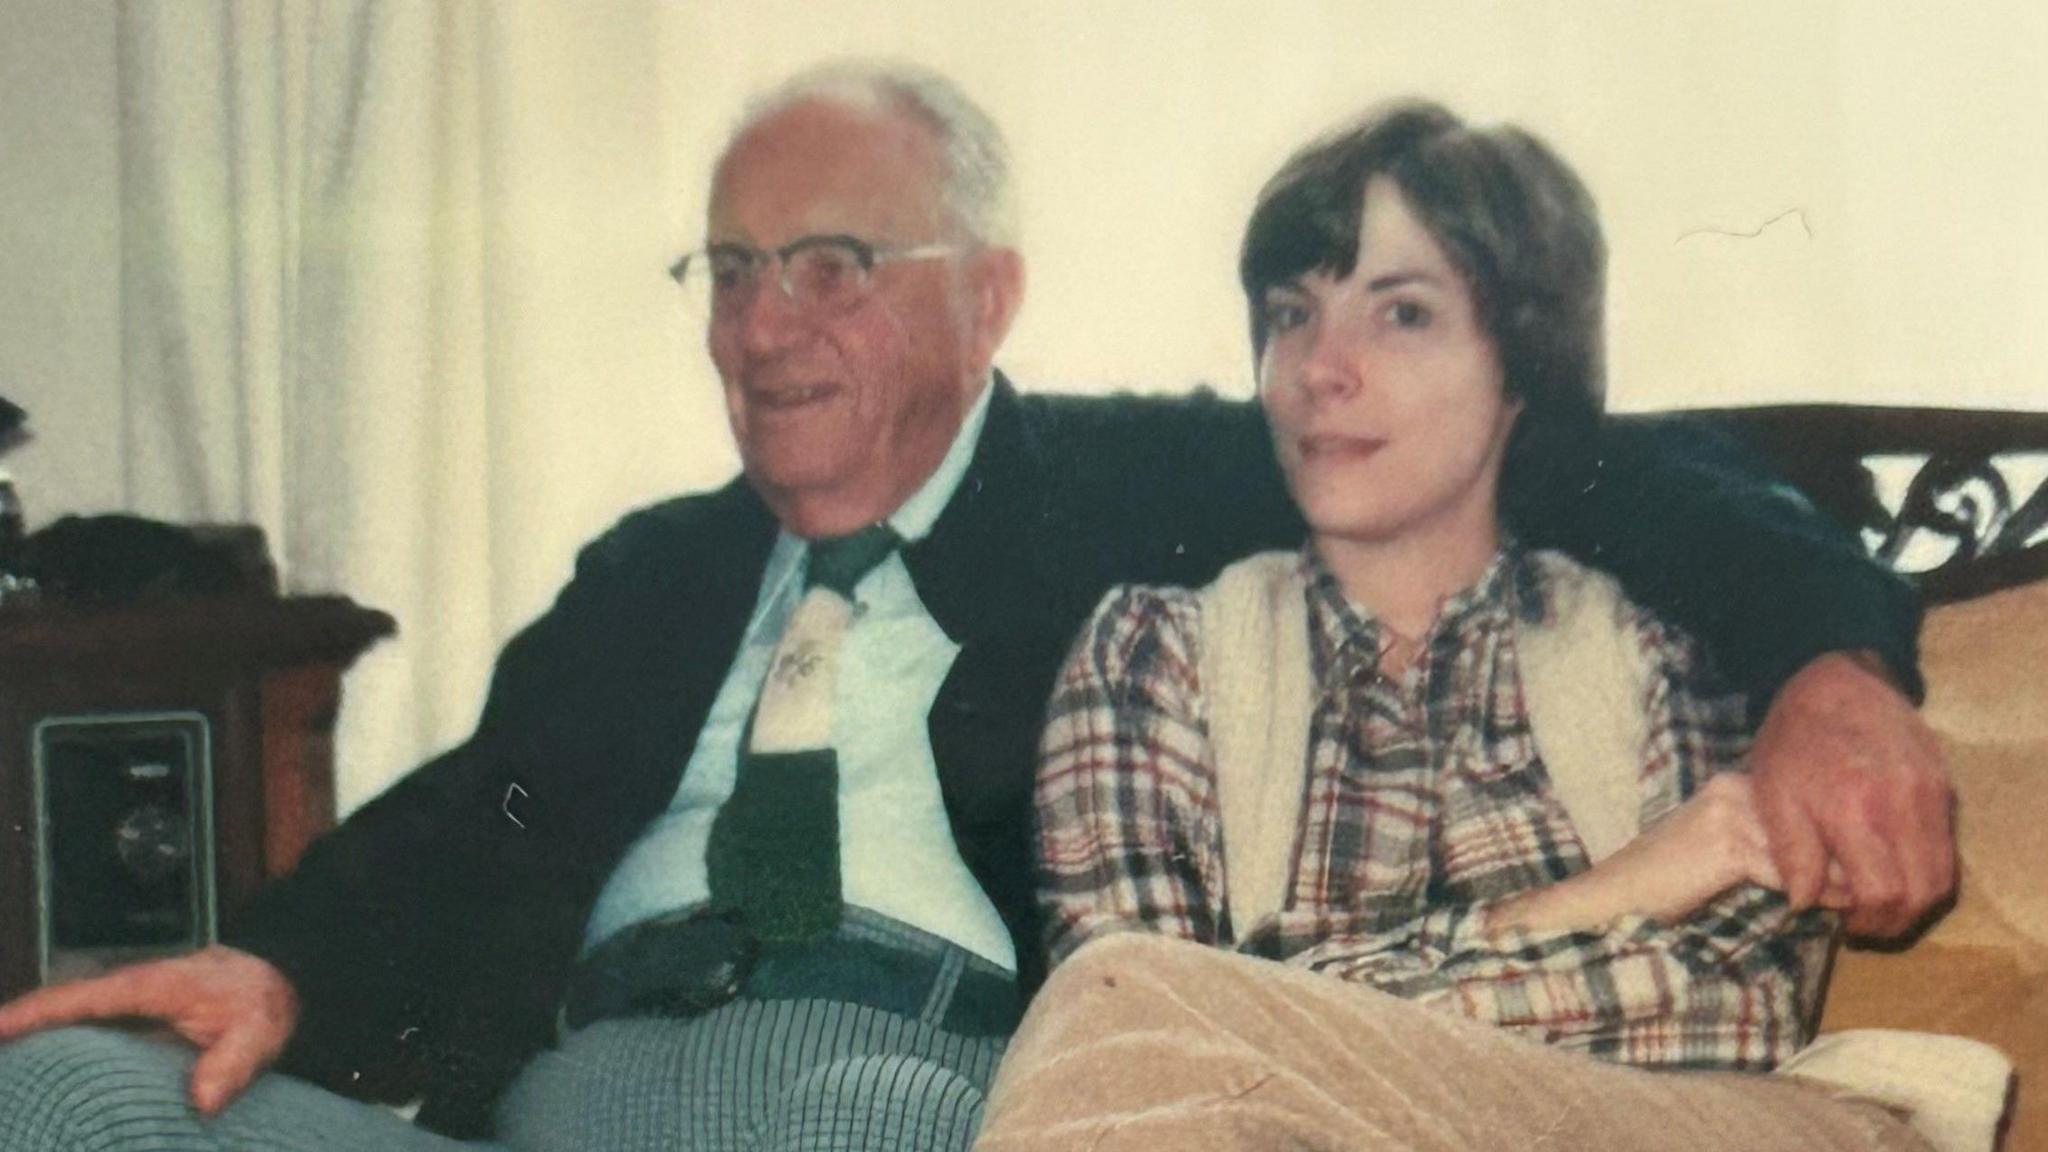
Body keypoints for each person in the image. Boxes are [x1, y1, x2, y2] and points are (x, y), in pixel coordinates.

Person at [0, 63, 1953, 1152]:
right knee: (68, 1090)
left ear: (986, 297)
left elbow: (1610, 468)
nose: (766, 329)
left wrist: (1830, 673)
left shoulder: (1145, 484)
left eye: (837, 268)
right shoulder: (654, 574)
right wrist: (282, 968)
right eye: (734, 272)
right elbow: (469, 817)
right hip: (547, 1105)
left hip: (885, 1083)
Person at [974, 101, 1968, 1151]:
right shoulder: (1150, 657)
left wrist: (1283, 1011)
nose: (1321, 367)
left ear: (1519, 368)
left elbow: (1729, 1013)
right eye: (1289, 314)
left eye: (1400, 314)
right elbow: (1134, 1027)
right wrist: (1584, 901)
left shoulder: (1672, 640)